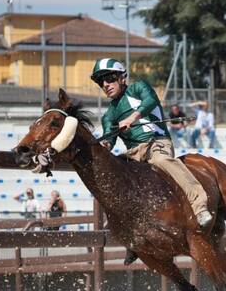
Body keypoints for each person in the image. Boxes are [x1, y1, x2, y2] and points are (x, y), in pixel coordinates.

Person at [91, 58, 212, 232]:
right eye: (100, 82)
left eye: (109, 78)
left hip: (157, 142)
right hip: (133, 154)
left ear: (121, 77)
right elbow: (109, 139)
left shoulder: (139, 87)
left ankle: (200, 207)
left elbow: (150, 101)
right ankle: (124, 227)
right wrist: (105, 145)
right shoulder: (108, 115)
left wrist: (132, 118)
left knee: (161, 161)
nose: (105, 84)